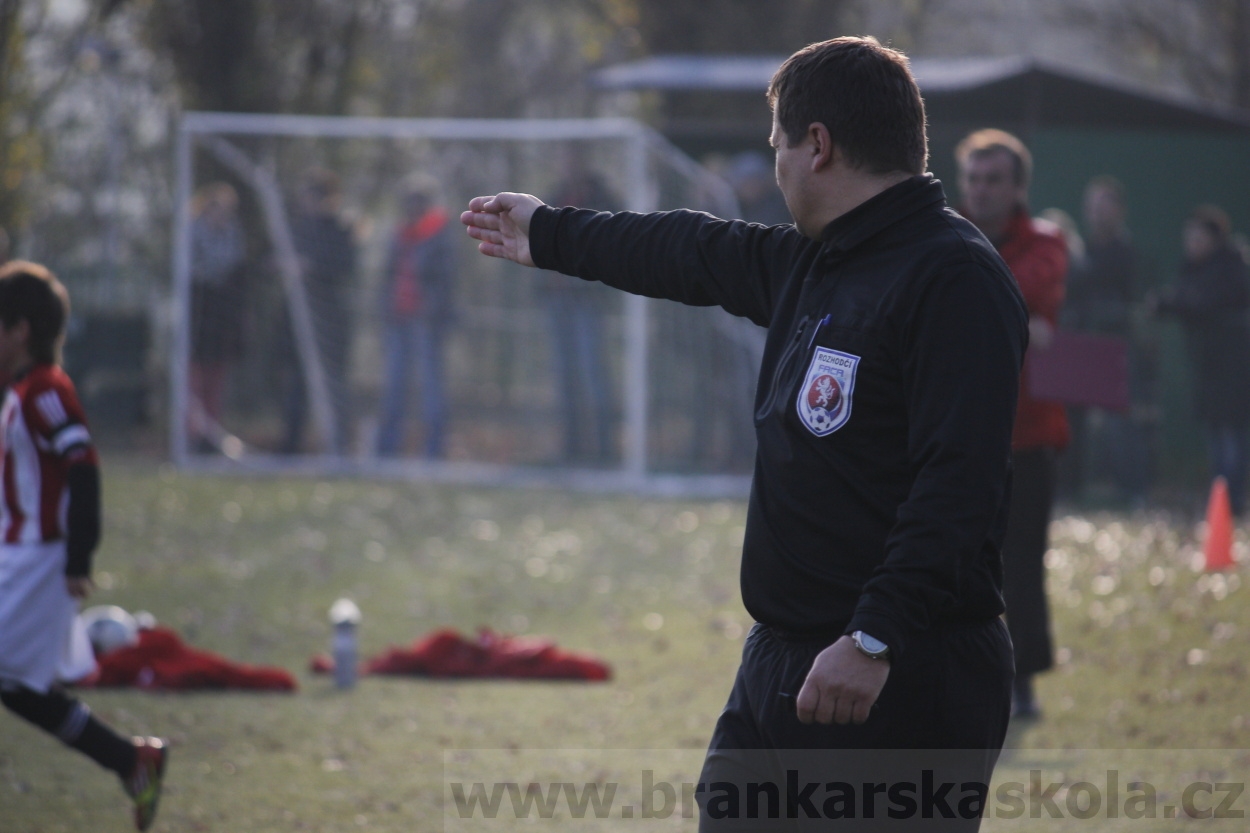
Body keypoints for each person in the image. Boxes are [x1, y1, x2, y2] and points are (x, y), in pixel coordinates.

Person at [464, 37, 1025, 831]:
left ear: (818, 145)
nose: (778, 167)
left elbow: (958, 484)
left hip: (898, 672)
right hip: (781, 662)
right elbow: (692, 250)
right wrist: (551, 232)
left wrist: (873, 637)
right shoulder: (818, 260)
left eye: (779, 147)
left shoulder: (951, 276)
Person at [0, 262, 167, 831]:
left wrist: (78, 557)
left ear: (20, 330)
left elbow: (84, 466)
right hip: (18, 557)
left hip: (40, 562)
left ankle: (130, 759)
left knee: (19, 685)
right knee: (21, 690)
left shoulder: (45, 391)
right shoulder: (21, 391)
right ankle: (131, 759)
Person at [955, 129, 1069, 720]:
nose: (981, 191)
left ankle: (1020, 681)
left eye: (994, 179)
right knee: (950, 556)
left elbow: (1023, 285)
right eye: (973, 179)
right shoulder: (949, 235)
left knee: (1021, 564)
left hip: (1027, 437)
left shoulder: (1045, 243)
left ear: (1018, 187)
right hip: (957, 433)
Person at [1154, 205, 1250, 515]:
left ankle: (1231, 500)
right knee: (1216, 436)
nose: (1191, 243)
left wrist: (1174, 302)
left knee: (1231, 436)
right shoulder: (1193, 269)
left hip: (1235, 369)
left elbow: (1201, 301)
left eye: (1197, 237)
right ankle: (1220, 500)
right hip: (1209, 370)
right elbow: (1182, 300)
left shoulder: (1232, 268)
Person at [1062, 176, 1150, 504]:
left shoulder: (1127, 253)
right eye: (1092, 206)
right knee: (1073, 422)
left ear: (1119, 211)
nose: (1097, 213)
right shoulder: (1080, 251)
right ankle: (1071, 489)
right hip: (1080, 349)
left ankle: (1132, 492)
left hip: (1115, 351)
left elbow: (1132, 303)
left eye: (1104, 206)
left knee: (1121, 425)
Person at [538, 148, 620, 463]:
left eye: (573, 161)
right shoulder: (551, 197)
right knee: (564, 375)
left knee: (593, 372)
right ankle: (571, 448)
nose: (567, 167)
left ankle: (605, 450)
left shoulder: (602, 198)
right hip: (558, 301)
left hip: (589, 300)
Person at [375, 174, 456, 459]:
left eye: (417, 202)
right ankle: (385, 450)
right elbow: (388, 276)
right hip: (399, 319)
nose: (412, 207)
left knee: (431, 389)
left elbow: (445, 281)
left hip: (426, 323)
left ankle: (434, 451)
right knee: (393, 386)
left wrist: (433, 310)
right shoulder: (399, 236)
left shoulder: (439, 236)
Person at [281, 169, 358, 455]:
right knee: (295, 383)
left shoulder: (340, 229)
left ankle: (339, 444)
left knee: (333, 382)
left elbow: (343, 266)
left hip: (330, 320)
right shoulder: (297, 228)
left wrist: (309, 265)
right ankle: (291, 446)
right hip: (297, 319)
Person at [188, 181, 248, 454]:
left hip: (222, 321)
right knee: (194, 382)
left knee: (216, 381)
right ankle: (192, 437)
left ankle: (211, 437)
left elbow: (237, 276)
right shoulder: (191, 237)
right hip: (196, 320)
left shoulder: (234, 239)